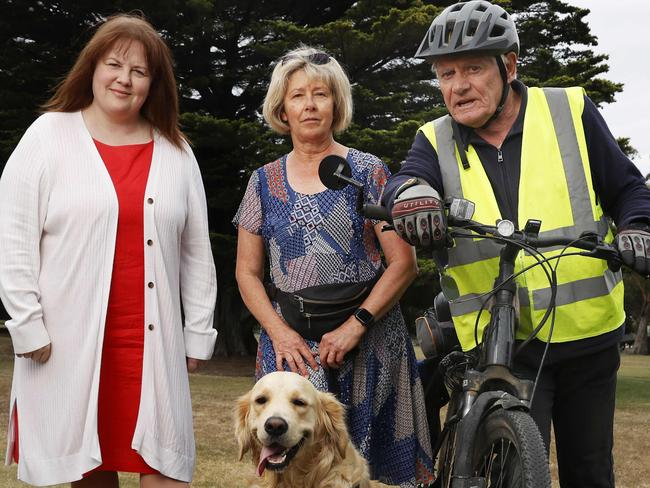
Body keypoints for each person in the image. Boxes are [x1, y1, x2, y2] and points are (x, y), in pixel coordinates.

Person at [381, 1, 650, 486]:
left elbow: (629, 188)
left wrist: (638, 228)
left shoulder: (570, 110)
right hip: (500, 337)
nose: (458, 85)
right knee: (506, 471)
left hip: (589, 339)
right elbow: (406, 180)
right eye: (445, 74)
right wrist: (413, 196)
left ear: (509, 65)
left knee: (590, 471)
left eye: (472, 69)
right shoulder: (433, 138)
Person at [0, 13, 217, 487]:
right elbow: (14, 241)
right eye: (114, 65)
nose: (125, 79)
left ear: (153, 84)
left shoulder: (176, 151)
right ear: (92, 68)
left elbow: (197, 251)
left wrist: (198, 330)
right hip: (68, 342)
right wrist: (26, 323)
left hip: (150, 345)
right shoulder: (47, 136)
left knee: (166, 466)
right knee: (90, 469)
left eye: (140, 72)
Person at [233, 45, 434, 487]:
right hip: (292, 350)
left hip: (370, 341)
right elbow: (247, 273)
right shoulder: (262, 182)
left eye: (320, 94)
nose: (309, 105)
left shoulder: (368, 171)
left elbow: (403, 263)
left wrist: (355, 326)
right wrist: (279, 333)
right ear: (281, 107)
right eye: (298, 95)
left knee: (378, 473)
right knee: (289, 469)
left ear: (336, 103)